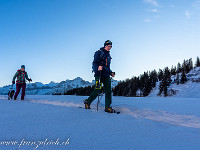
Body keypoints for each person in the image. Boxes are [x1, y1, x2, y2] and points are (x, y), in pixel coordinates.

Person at [84, 40, 116, 113]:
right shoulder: (99, 53)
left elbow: (107, 67)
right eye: (108, 46)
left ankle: (107, 107)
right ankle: (88, 102)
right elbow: (94, 63)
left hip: (106, 75)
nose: (109, 48)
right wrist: (97, 67)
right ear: (105, 45)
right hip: (99, 74)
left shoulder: (108, 56)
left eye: (110, 46)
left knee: (108, 91)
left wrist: (111, 73)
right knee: (98, 90)